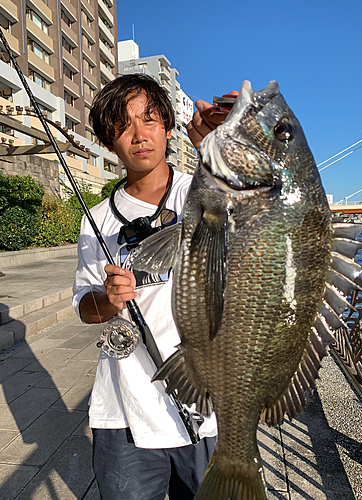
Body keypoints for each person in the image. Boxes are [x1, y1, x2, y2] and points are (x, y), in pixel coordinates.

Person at [72, 73, 234, 500]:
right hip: (123, 410)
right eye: (124, 126)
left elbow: (268, 206)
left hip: (207, 406)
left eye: (150, 119)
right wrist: (107, 302)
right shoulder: (98, 220)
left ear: (167, 125)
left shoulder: (206, 188)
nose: (140, 135)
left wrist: (222, 144)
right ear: (109, 142)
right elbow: (83, 304)